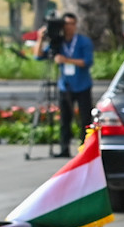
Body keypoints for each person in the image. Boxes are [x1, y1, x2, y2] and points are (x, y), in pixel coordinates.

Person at [40, 13, 95, 155]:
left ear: (75, 25)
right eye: (65, 24)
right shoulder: (58, 42)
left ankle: (85, 148)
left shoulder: (84, 42)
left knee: (85, 119)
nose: (68, 27)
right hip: (65, 85)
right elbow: (39, 55)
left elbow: (87, 62)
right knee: (65, 119)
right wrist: (40, 38)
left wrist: (66, 60)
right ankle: (64, 148)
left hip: (82, 85)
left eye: (71, 24)